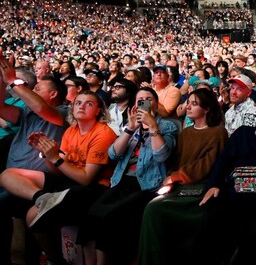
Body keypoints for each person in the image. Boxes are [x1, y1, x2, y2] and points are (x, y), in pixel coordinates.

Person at [138, 82, 256, 265]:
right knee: (209, 229)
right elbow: (223, 161)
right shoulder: (245, 132)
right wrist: (214, 184)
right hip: (235, 194)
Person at [0, 90, 116, 265]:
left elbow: (86, 179)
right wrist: (47, 155)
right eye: (78, 103)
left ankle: (54, 259)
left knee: (33, 214)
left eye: (88, 104)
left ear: (98, 111)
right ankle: (41, 197)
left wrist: (55, 158)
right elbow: (58, 171)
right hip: (68, 180)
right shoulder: (71, 131)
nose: (81, 106)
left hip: (93, 188)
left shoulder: (103, 133)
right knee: (7, 174)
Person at [76, 87, 179, 265]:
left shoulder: (166, 125)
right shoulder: (131, 125)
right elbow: (113, 154)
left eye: (149, 99)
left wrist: (152, 126)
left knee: (109, 217)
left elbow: (162, 156)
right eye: (140, 100)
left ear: (156, 104)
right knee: (92, 214)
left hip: (146, 183)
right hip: (121, 180)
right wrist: (130, 129)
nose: (144, 102)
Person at [0, 52, 70, 265]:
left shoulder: (63, 112)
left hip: (39, 181)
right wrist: (2, 79)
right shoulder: (26, 114)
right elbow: (1, 107)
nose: (33, 90)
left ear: (54, 94)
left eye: (39, 88)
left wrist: (13, 81)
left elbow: (41, 107)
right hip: (15, 183)